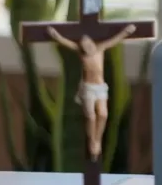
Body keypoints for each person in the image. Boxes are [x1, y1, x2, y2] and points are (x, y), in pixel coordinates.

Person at [47, 23, 138, 161]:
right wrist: (55, 35)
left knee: (103, 114)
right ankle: (92, 141)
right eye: (84, 45)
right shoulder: (82, 54)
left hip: (100, 87)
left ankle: (97, 139)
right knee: (90, 116)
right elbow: (66, 43)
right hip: (88, 88)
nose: (87, 47)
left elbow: (114, 40)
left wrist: (126, 32)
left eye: (88, 44)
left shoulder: (100, 49)